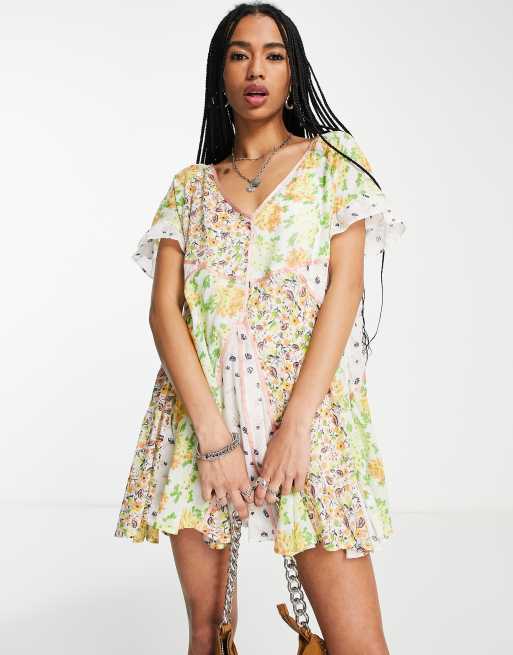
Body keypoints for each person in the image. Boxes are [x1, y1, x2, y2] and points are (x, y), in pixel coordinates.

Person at [114, 3, 406, 653]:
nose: (256, 69)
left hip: (308, 425)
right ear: (220, 73)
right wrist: (212, 438)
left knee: (359, 643)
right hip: (201, 425)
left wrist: (296, 426)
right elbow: (164, 312)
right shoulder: (189, 190)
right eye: (239, 54)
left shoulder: (333, 164)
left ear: (292, 72)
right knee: (208, 634)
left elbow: (345, 291)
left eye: (273, 55)